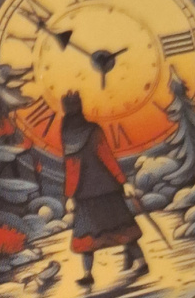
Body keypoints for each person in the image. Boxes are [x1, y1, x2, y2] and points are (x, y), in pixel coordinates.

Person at [61, 91, 146, 286]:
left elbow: (72, 169)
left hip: (86, 196)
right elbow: (107, 158)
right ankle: (141, 262)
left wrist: (70, 196)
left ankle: (88, 275)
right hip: (107, 191)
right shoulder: (93, 130)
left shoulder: (67, 135)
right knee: (123, 229)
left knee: (87, 237)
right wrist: (123, 182)